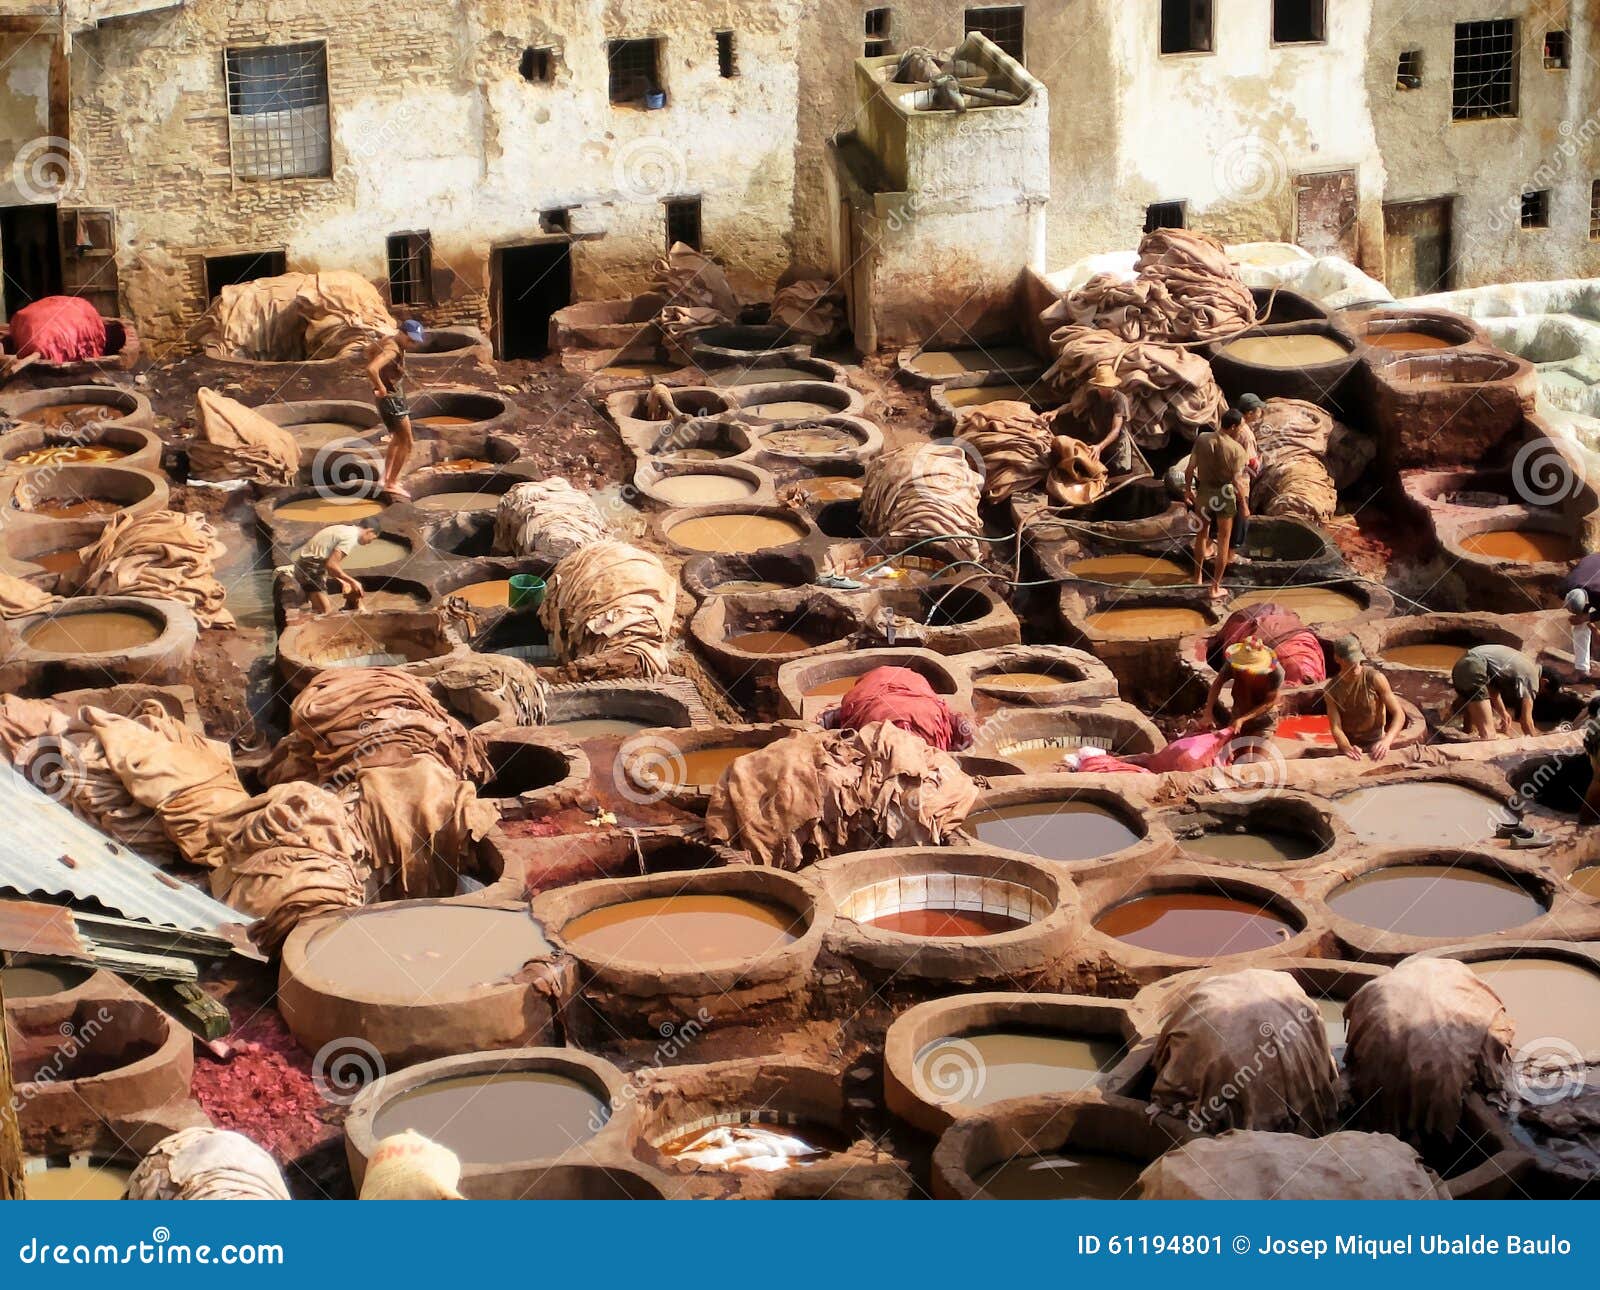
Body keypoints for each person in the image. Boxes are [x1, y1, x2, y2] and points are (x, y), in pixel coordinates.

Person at [1185, 409, 1252, 600]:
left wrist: (1187, 490)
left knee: (1201, 535)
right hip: (1224, 495)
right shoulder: (1237, 449)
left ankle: (1197, 577)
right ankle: (1215, 588)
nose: (1241, 430)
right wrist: (1244, 505)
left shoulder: (1203, 439)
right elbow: (1237, 481)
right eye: (1240, 426)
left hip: (1204, 493)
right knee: (1224, 540)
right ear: (1233, 427)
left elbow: (1191, 468)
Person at [364, 319, 426, 499]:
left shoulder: (387, 339)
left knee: (397, 438)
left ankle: (386, 476)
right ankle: (391, 483)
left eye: (415, 341)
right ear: (401, 333)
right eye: (411, 339)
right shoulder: (392, 349)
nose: (413, 344)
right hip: (391, 399)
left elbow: (368, 351)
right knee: (407, 443)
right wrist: (381, 387)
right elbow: (371, 368)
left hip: (393, 396)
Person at [1323, 636, 1405, 761]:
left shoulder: (1375, 678)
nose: (1355, 664)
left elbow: (1399, 714)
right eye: (1349, 660)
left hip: (1376, 741)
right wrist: (1346, 748)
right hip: (1351, 744)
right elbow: (1336, 727)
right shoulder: (1331, 690)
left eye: (1357, 659)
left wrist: (1386, 741)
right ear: (1337, 659)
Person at [1200, 637, 1284, 745]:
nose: (1247, 673)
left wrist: (1243, 719)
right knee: (1235, 754)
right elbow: (1217, 684)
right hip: (1239, 711)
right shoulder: (1233, 663)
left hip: (1264, 718)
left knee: (1258, 759)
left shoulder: (1275, 672)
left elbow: (1269, 702)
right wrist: (1208, 712)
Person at [1450, 643, 1540, 739]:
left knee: (1470, 722)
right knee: (1489, 733)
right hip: (1474, 666)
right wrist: (1538, 745)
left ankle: (1467, 736)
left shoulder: (1522, 661)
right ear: (1545, 682)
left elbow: (1492, 690)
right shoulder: (1532, 674)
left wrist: (1503, 712)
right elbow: (1526, 721)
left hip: (1461, 665)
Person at [292, 522, 379, 614]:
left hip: (311, 567)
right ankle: (312, 603)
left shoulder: (347, 530)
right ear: (370, 531)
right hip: (309, 572)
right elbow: (331, 566)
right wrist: (354, 582)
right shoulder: (350, 538)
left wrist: (345, 581)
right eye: (372, 539)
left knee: (350, 585)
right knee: (325, 613)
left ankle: (350, 608)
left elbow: (329, 565)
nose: (369, 543)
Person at [1082, 362, 1134, 474]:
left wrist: (1099, 447)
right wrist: (1055, 411)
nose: (1104, 389)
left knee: (1120, 471)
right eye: (1102, 386)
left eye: (1107, 386)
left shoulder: (1119, 400)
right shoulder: (1092, 395)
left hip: (1116, 443)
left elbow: (1115, 430)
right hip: (1099, 438)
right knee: (1094, 468)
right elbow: (1074, 405)